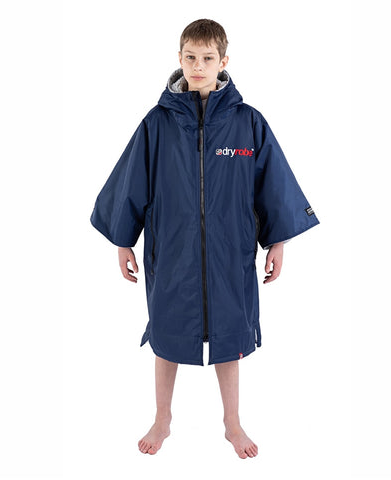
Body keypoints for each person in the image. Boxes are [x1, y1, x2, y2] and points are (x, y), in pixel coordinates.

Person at [90, 19, 320, 459]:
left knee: (230, 335)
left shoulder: (247, 123)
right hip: (171, 251)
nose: (198, 66)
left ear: (223, 61)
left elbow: (272, 185)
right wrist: (123, 241)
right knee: (166, 334)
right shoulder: (157, 124)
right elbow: (132, 182)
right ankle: (162, 418)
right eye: (191, 57)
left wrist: (278, 242)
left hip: (230, 252)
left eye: (207, 58)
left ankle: (232, 423)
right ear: (179, 59)